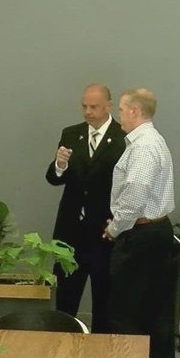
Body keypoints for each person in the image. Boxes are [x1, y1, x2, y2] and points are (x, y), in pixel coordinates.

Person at [103, 88, 178, 358]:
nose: (118, 115)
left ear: (134, 111)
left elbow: (134, 194)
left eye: (121, 109)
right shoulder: (152, 141)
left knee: (125, 306)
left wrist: (116, 228)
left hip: (141, 234)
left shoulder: (143, 147)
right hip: (156, 232)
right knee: (157, 306)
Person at [45, 83, 127, 331]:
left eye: (94, 107)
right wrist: (59, 165)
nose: (88, 112)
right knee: (66, 295)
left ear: (108, 106)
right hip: (71, 230)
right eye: (84, 106)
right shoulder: (71, 134)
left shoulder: (123, 136)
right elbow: (54, 179)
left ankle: (101, 349)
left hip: (106, 230)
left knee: (105, 295)